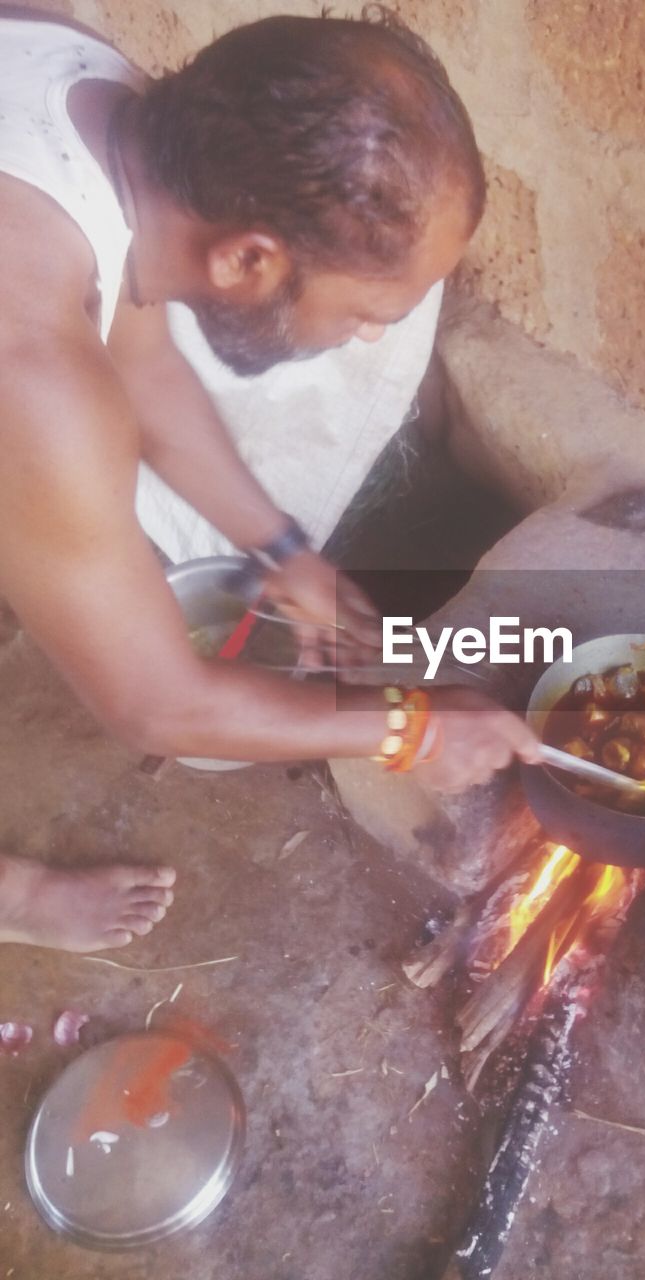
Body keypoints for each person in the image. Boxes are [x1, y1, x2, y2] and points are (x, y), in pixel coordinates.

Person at [0, 8, 541, 954]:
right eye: (370, 310)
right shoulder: (30, 366)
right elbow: (157, 703)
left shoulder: (92, 91)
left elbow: (143, 363)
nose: (373, 336)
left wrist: (285, 552)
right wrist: (413, 726)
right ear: (248, 258)